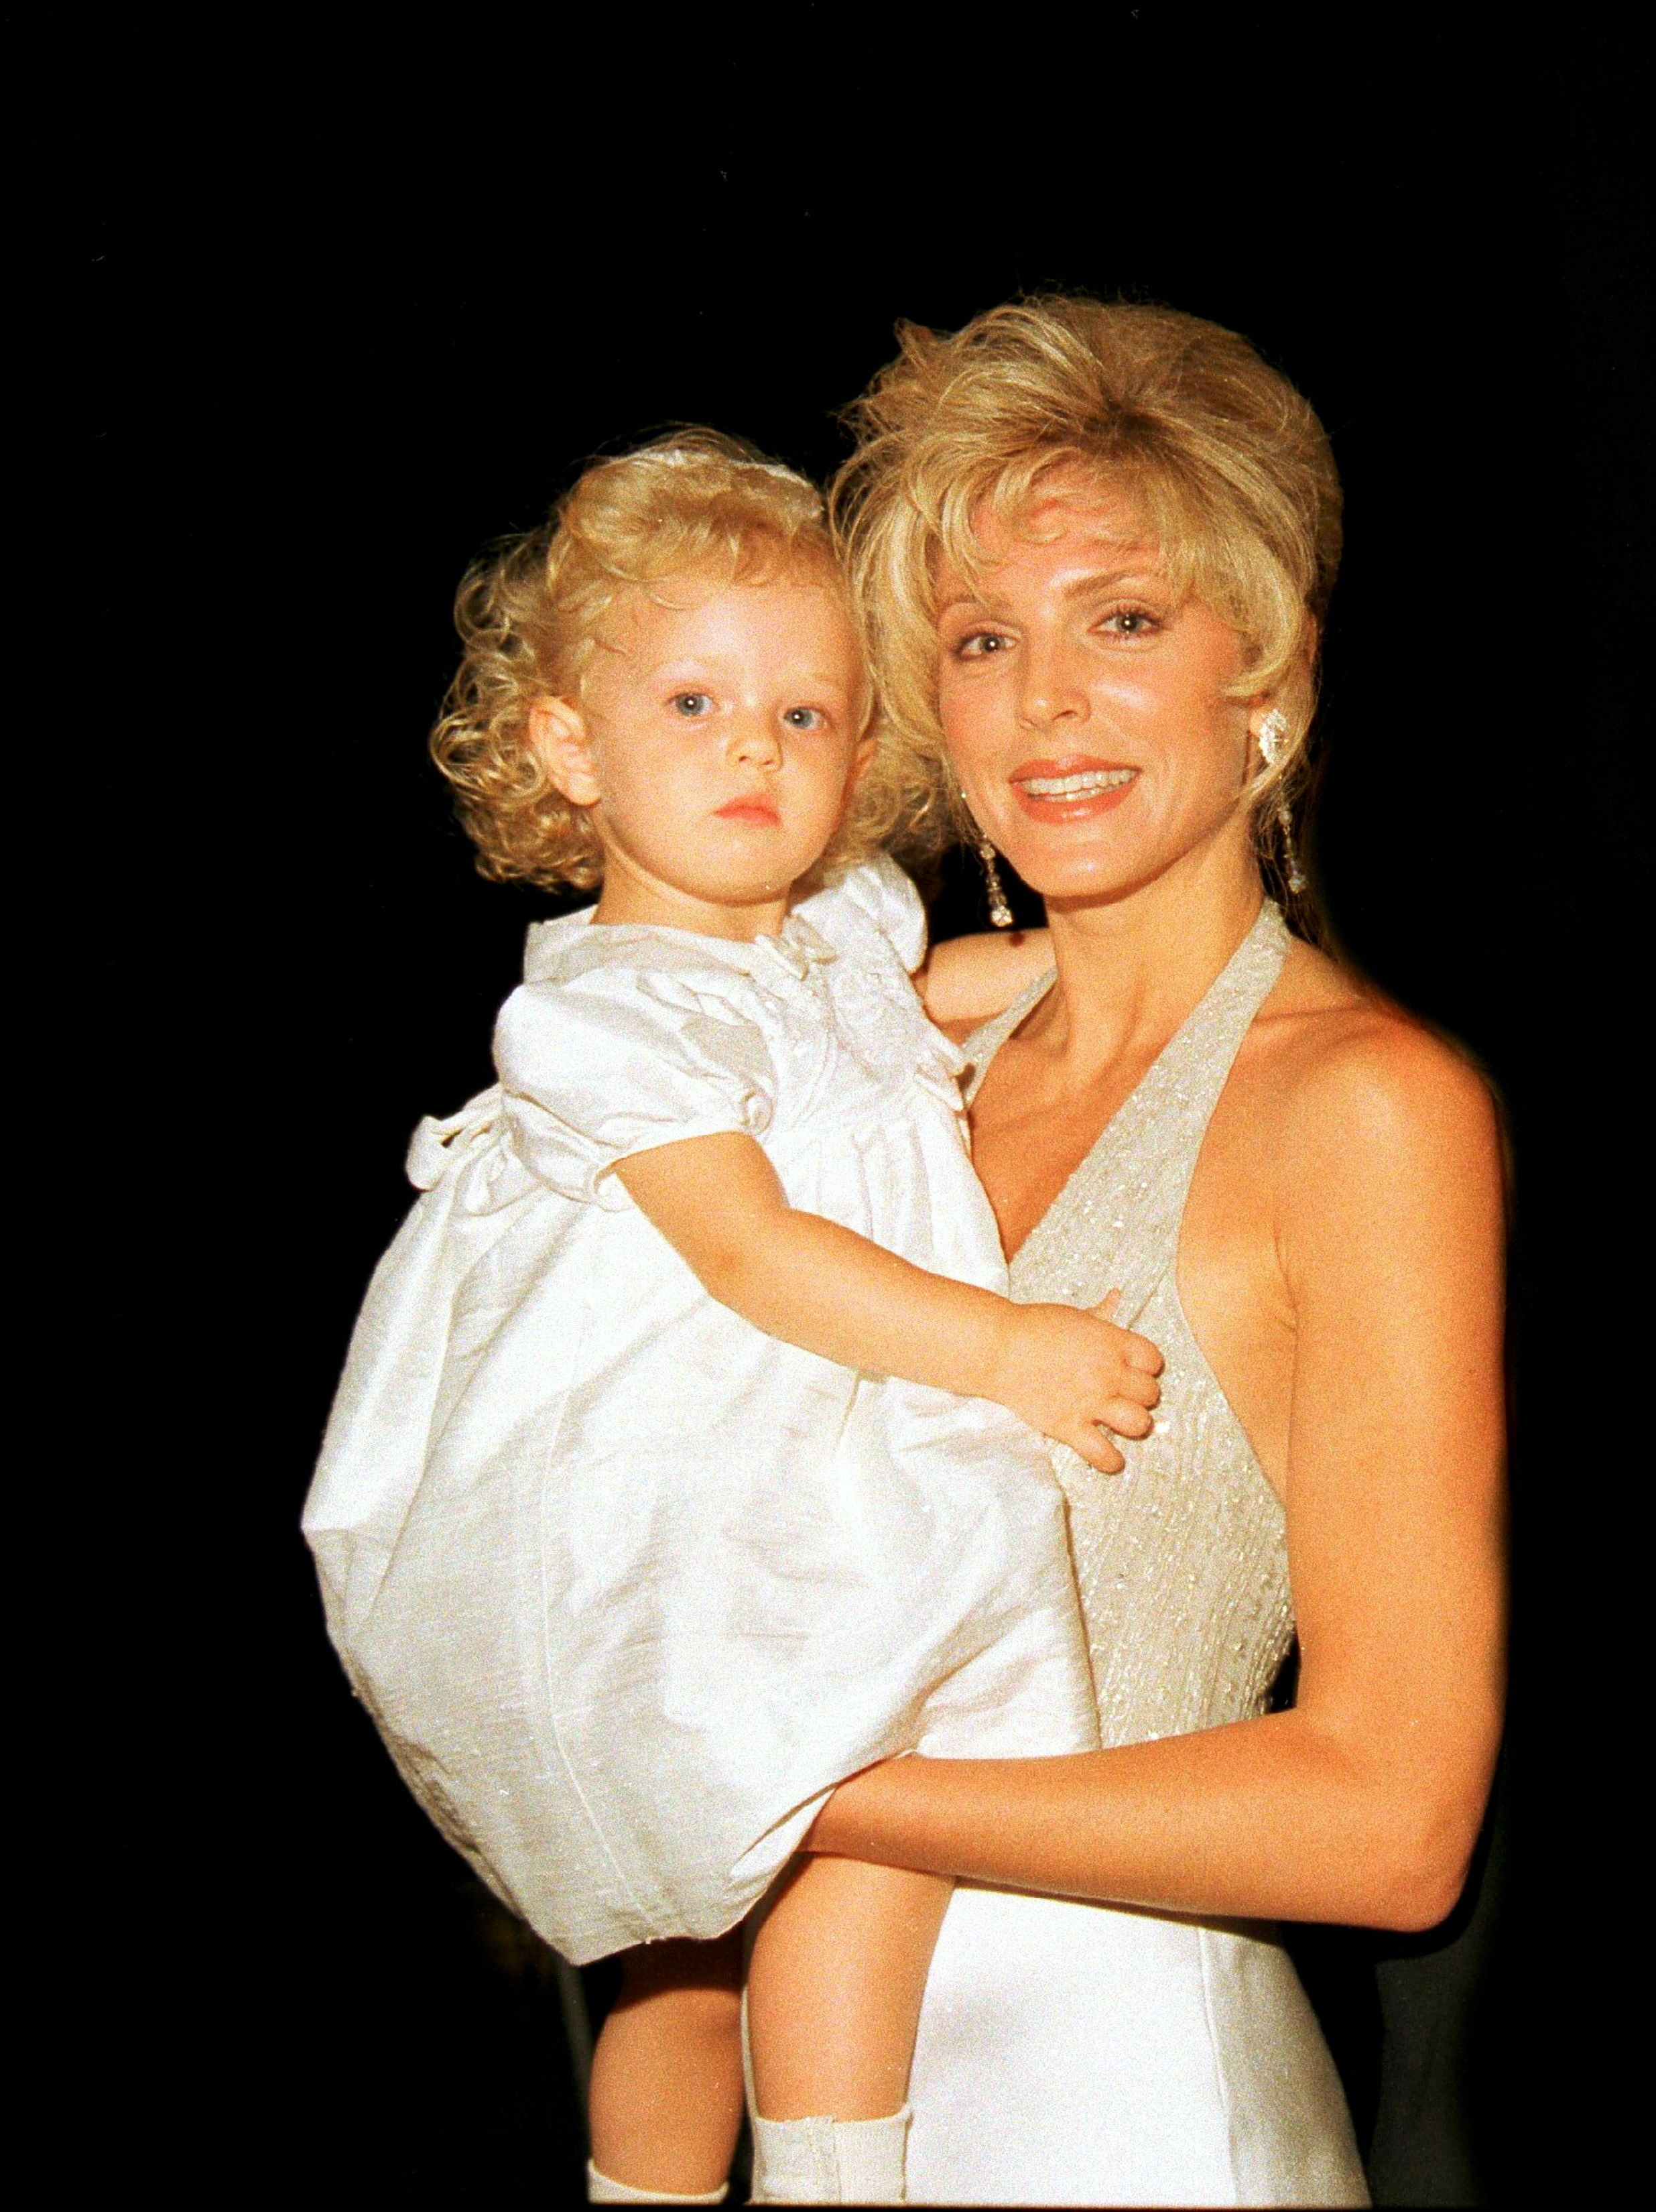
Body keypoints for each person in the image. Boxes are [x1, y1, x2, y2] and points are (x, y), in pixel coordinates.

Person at [299, 431, 1166, 2204]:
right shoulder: (609, 1015)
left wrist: (1046, 971)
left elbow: (883, 1034)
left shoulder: (835, 927)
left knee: (853, 1868)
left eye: (802, 714)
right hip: (686, 1495)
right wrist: (1005, 1349)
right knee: (700, 1954)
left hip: (828, 1454)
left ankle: (831, 2168)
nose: (754, 752)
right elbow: (758, 1250)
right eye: (693, 704)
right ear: (568, 746)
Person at [789, 295, 1509, 2205]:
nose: (1046, 702)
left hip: (1124, 2112)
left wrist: (814, 1799)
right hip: (805, 2080)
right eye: (981, 640)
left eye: (1123, 619)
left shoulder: (1359, 1105)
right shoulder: (886, 1079)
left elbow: (1392, 1816)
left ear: (1262, 675)